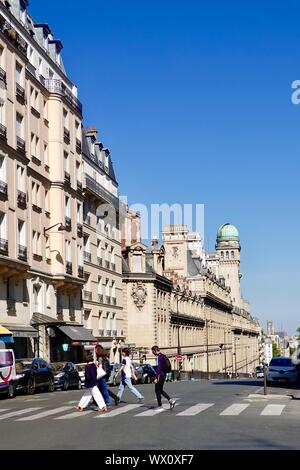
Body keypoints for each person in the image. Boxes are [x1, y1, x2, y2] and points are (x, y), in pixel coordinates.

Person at [152, 345, 176, 410]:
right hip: (164, 374)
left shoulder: (158, 357)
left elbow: (158, 368)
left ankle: (160, 405)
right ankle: (171, 400)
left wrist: (156, 377)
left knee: (157, 390)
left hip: (160, 375)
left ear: (155, 351)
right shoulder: (163, 355)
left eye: (153, 352)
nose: (152, 353)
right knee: (160, 390)